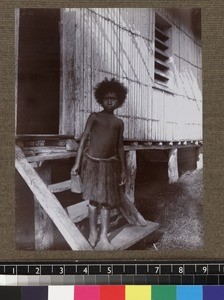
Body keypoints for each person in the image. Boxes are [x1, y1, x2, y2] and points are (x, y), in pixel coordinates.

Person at [71, 78, 128, 250]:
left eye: (113, 98)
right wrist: (76, 163)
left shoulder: (119, 123)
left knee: (107, 202)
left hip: (110, 166)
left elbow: (119, 146)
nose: (109, 101)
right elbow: (83, 140)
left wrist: (124, 170)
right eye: (106, 98)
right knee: (94, 201)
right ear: (100, 99)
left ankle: (104, 237)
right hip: (92, 164)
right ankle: (93, 233)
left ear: (119, 101)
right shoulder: (94, 117)